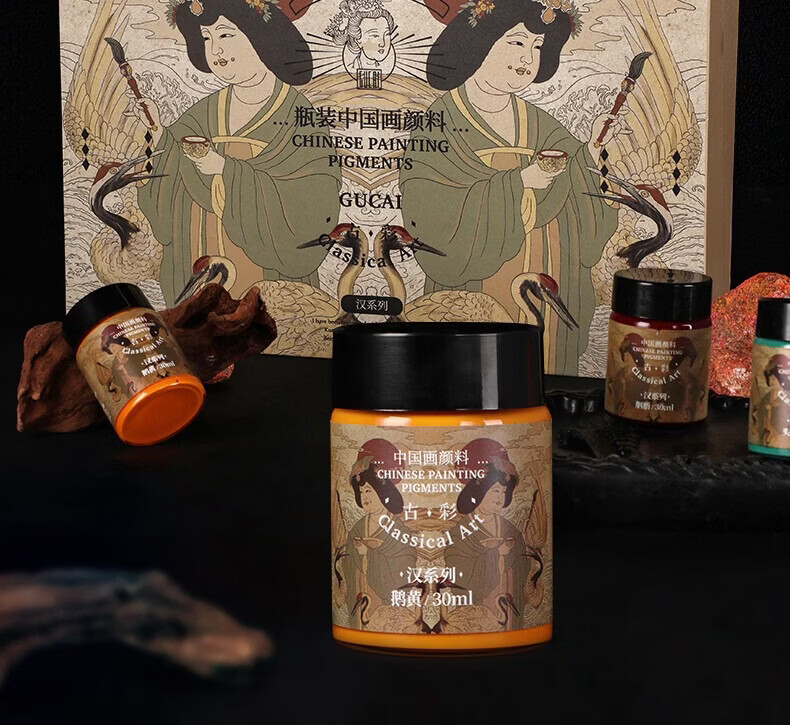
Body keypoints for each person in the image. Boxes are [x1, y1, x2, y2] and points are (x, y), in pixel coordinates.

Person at [399, 0, 624, 374]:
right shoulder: (439, 122)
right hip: (478, 278)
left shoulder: (539, 123)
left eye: (537, 47)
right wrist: (519, 182)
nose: (527, 58)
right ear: (481, 42)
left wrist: (593, 148)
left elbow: (580, 181)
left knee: (537, 369)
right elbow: (428, 208)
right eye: (517, 42)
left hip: (546, 267)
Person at [128, 0, 341, 303]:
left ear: (260, 37)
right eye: (207, 38)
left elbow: (314, 202)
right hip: (201, 253)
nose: (216, 50)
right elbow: (169, 173)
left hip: (266, 270)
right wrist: (159, 133)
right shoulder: (204, 112)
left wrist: (225, 169)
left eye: (226, 35)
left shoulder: (298, 116)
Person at [444, 439, 530, 630]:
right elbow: (456, 569)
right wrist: (495, 554)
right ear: (479, 491)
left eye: (503, 491)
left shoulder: (510, 530)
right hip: (479, 606)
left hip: (507, 599)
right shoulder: (459, 532)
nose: (499, 497)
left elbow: (524, 565)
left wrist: (511, 556)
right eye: (494, 490)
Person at [342, 439, 416, 622]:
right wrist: (356, 555)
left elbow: (405, 565)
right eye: (361, 492)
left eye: (369, 490)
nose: (365, 497)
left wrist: (369, 554)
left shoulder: (400, 529)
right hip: (362, 594)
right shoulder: (358, 528)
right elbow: (347, 563)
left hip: (385, 601)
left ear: (382, 491)